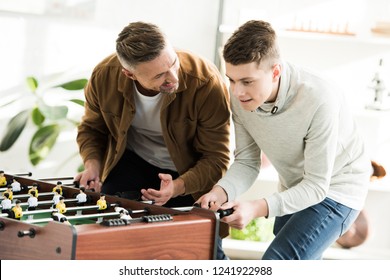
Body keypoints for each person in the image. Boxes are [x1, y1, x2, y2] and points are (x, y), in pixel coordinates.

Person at [196, 20, 371, 260]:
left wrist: (256, 208)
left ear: (275, 71)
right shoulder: (239, 96)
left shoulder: (319, 97)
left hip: (337, 189)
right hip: (294, 186)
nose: (237, 92)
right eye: (232, 80)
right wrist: (221, 192)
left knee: (277, 262)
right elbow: (247, 161)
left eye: (247, 81)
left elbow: (317, 186)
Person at [74, 21, 231, 260]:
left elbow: (217, 158)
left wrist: (177, 186)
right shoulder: (104, 76)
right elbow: (92, 129)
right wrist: (92, 165)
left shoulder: (205, 81)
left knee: (205, 253)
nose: (173, 78)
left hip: (190, 173)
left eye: (173, 64)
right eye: (160, 75)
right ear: (129, 74)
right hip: (132, 162)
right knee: (110, 244)